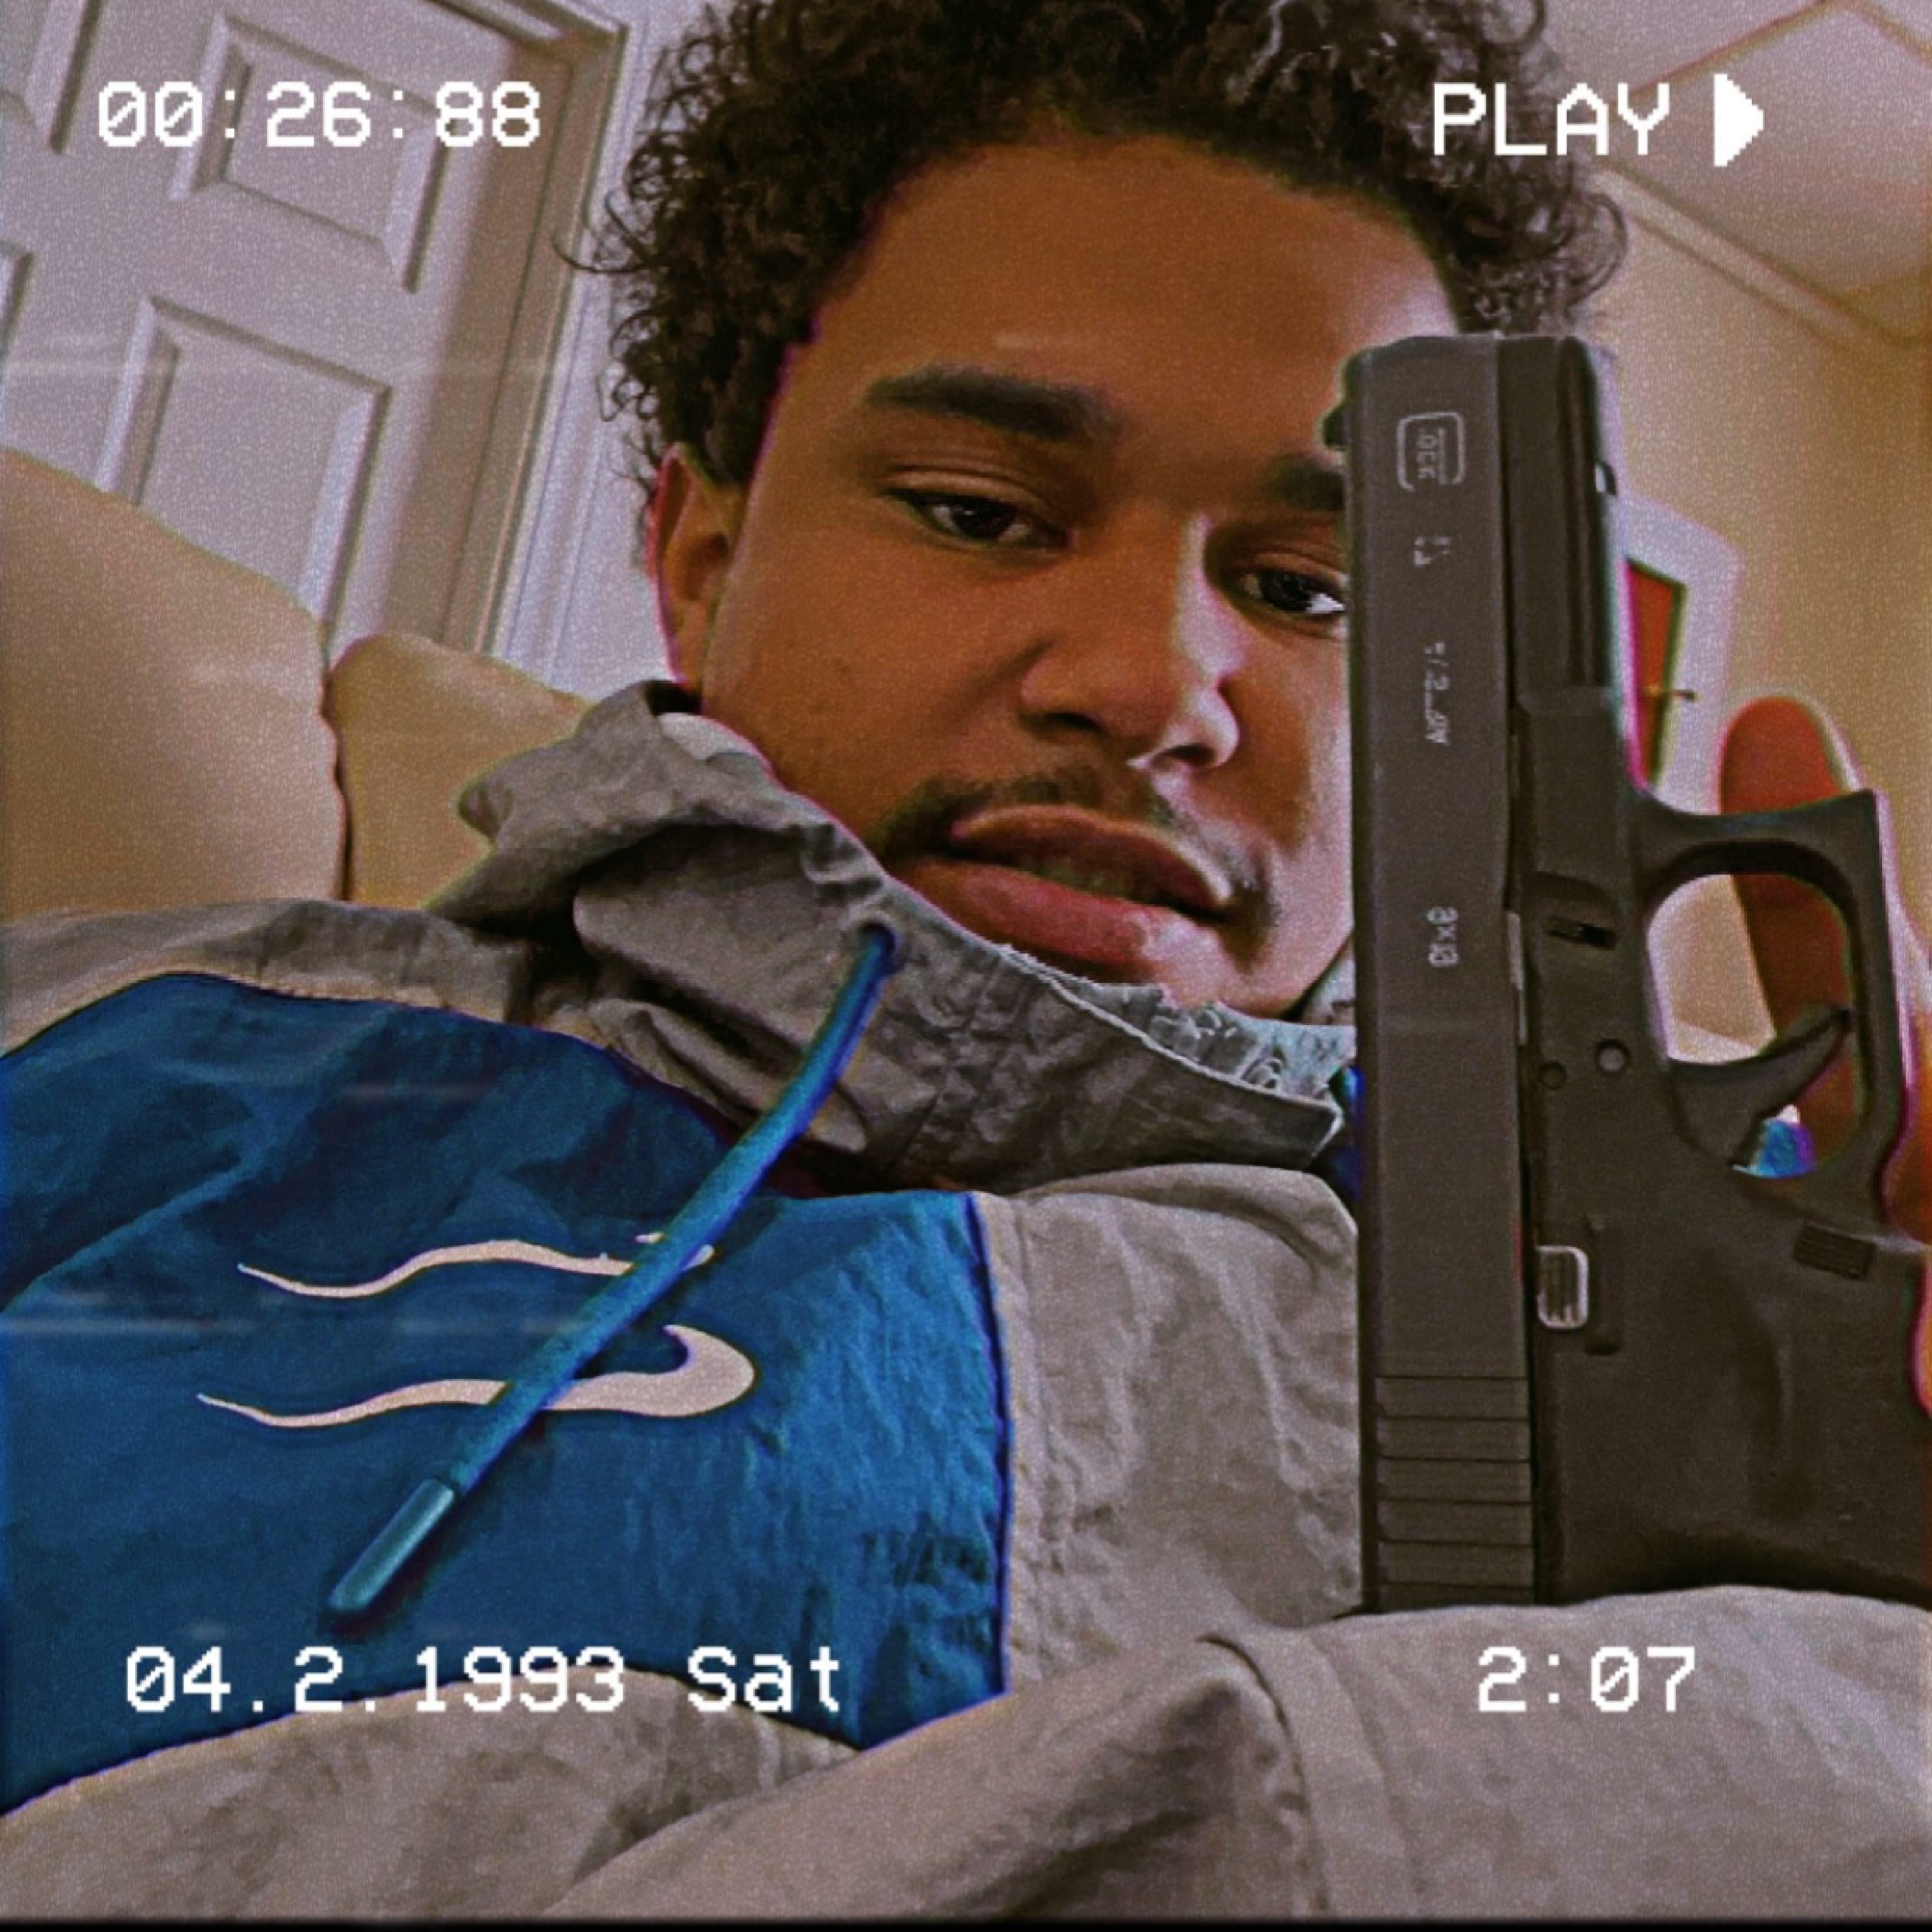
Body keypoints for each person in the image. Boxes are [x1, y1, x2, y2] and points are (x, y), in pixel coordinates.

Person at [2, 0, 1927, 1914]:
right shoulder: (104, 1064)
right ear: (698, 554)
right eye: (981, 513)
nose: (1154, 685)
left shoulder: (1740, 1266)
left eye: (1313, 589)